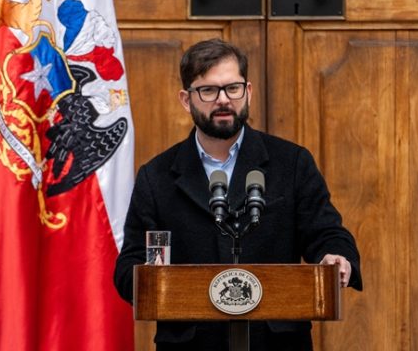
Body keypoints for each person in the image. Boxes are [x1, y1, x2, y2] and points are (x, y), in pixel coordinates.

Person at [114, 38, 362, 351]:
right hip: (193, 344)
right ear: (186, 99)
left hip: (276, 342)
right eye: (208, 90)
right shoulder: (157, 176)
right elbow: (130, 264)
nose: (223, 100)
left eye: (233, 88)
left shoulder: (292, 163)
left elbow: (326, 233)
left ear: (248, 92)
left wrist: (337, 257)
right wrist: (148, 279)